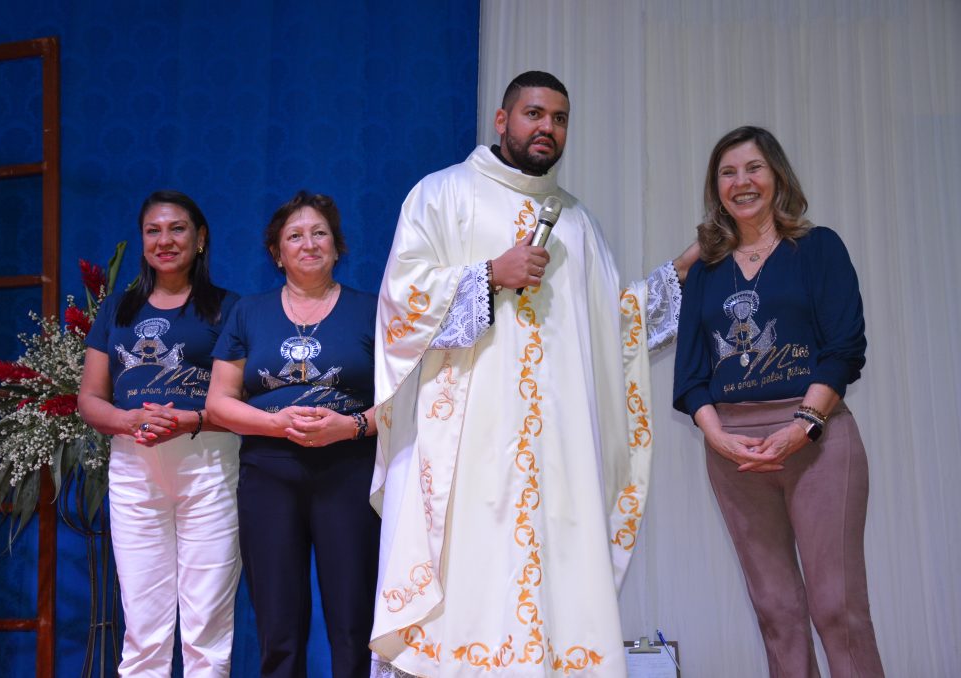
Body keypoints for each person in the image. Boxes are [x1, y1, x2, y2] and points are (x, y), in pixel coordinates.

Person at [369, 71, 697, 677]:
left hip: (554, 454)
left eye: (560, 118)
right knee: (467, 589)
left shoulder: (577, 223)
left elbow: (614, 324)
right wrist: (490, 273)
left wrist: (682, 269)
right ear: (502, 120)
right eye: (534, 114)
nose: (548, 127)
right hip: (468, 444)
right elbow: (401, 302)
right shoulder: (442, 195)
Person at [673, 126, 884, 677]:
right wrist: (716, 436)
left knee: (837, 608)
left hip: (817, 439)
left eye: (754, 168)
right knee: (776, 612)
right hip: (733, 452)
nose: (741, 182)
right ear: (716, 188)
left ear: (778, 176)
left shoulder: (818, 248)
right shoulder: (706, 272)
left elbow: (844, 348)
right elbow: (691, 374)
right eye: (727, 172)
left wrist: (804, 424)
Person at [206, 191, 380, 678]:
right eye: (295, 236)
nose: (309, 244)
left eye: (320, 233)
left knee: (353, 620)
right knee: (278, 625)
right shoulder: (249, 312)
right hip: (269, 472)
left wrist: (351, 426)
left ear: (337, 247)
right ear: (276, 253)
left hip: (349, 471)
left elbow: (403, 400)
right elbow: (219, 401)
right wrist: (275, 423)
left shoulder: (373, 310)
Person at [78, 190, 241, 677]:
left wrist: (190, 420)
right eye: (153, 231)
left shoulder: (229, 309)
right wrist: (128, 421)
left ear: (201, 238)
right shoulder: (117, 310)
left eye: (177, 229)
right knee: (143, 625)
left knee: (207, 625)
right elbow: (90, 398)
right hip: (134, 466)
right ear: (143, 240)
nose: (164, 240)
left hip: (208, 465)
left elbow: (242, 402)